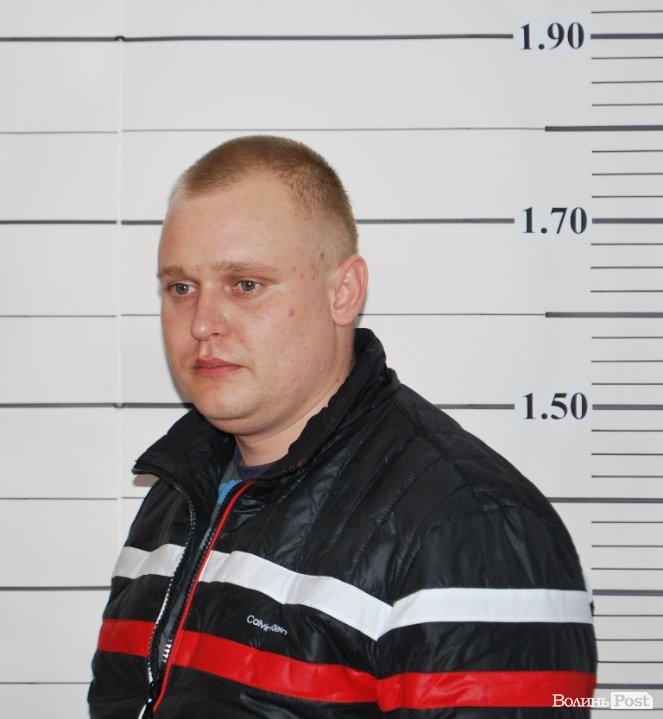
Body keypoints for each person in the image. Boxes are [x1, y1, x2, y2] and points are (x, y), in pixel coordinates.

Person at [89, 135, 597, 718]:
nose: (202, 323)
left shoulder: (470, 528)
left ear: (344, 292)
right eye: (181, 287)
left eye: (246, 285)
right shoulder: (180, 491)